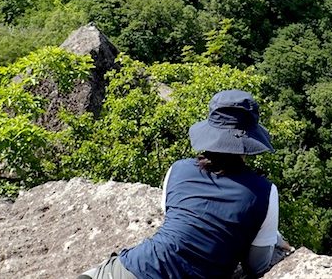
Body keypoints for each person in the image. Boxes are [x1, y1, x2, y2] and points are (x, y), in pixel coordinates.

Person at [78, 89, 292, 279]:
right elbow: (257, 266)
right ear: (249, 140)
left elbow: (176, 218)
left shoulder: (178, 170)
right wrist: (270, 238)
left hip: (135, 268)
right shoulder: (264, 193)